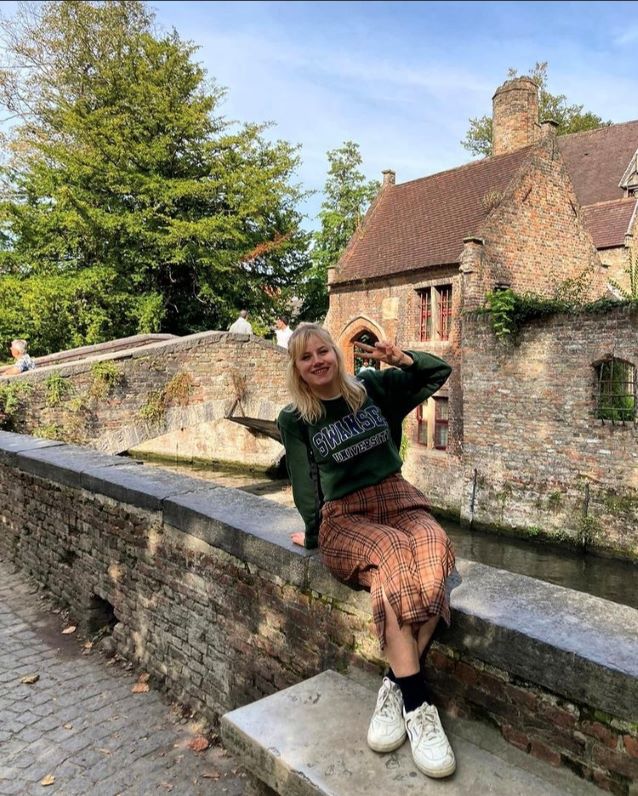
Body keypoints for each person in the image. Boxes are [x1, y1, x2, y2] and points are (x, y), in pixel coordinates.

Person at [277, 323, 457, 780]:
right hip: (347, 516)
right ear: (297, 368)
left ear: (336, 354)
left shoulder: (373, 389)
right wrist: (314, 532)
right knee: (395, 554)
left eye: (323, 351)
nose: (317, 360)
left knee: (436, 551)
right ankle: (419, 708)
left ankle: (395, 684)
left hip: (397, 497)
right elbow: (305, 482)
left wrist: (402, 359)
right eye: (306, 357)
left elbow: (438, 373)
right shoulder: (296, 418)